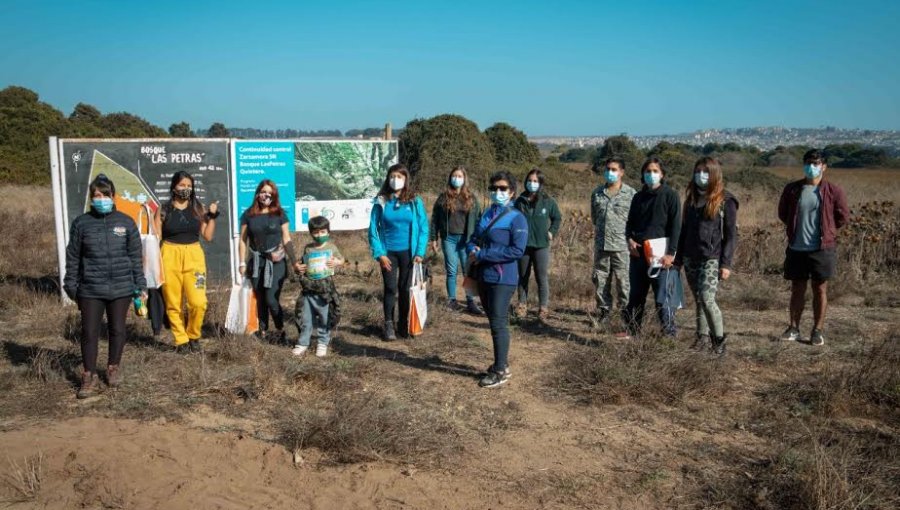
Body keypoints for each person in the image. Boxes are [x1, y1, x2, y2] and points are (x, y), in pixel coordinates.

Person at [64, 174, 146, 398]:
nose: (100, 199)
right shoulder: (81, 224)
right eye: (96, 195)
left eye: (104, 195)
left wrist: (140, 285)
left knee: (117, 329)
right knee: (89, 332)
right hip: (90, 289)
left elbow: (135, 257)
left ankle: (113, 368)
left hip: (121, 288)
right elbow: (73, 257)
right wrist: (71, 286)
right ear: (91, 198)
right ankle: (88, 374)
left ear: (113, 196)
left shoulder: (126, 222)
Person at [777, 149, 849, 346]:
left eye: (816, 163)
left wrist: (828, 230)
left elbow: (842, 216)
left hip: (822, 248)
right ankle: (793, 328)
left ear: (824, 166)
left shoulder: (833, 191)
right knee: (796, 289)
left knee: (820, 289)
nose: (812, 166)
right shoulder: (792, 189)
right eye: (808, 162)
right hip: (796, 247)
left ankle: (817, 330)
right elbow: (783, 213)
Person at [467, 171, 528, 388]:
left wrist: (483, 254)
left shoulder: (517, 218)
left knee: (498, 323)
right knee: (493, 319)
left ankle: (500, 370)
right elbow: (474, 238)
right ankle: (501, 363)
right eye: (494, 188)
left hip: (503, 277)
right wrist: (472, 248)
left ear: (512, 192)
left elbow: (517, 250)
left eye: (503, 188)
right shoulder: (486, 213)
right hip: (484, 275)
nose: (498, 192)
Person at [674, 157, 739, 355]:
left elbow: (731, 235)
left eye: (706, 171)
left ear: (714, 173)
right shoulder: (691, 199)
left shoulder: (726, 200)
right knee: (699, 299)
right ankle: (701, 337)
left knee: (707, 298)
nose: (701, 175)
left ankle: (719, 342)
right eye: (698, 171)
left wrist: (726, 264)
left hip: (712, 258)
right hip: (690, 257)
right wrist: (678, 260)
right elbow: (683, 231)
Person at [153, 171, 219, 353]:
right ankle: (181, 339)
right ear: (174, 187)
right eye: (182, 185)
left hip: (194, 255)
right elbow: (155, 237)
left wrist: (212, 217)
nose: (186, 189)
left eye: (189, 186)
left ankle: (193, 335)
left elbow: (208, 236)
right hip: (169, 254)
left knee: (198, 302)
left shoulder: (198, 208)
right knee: (173, 302)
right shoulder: (163, 209)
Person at [622, 158, 682, 338]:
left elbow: (676, 226)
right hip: (639, 255)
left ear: (662, 174)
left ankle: (668, 338)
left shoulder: (670, 195)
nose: (651, 174)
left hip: (662, 257)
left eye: (655, 171)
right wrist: (629, 240)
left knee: (663, 300)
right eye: (648, 171)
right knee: (636, 297)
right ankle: (633, 333)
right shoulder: (637, 197)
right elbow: (629, 224)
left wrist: (671, 254)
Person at [368, 164, 429, 340]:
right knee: (390, 288)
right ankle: (388, 325)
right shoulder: (381, 201)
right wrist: (380, 254)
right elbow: (373, 229)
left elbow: (424, 227)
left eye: (400, 177)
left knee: (404, 289)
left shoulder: (414, 201)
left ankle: (403, 324)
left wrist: (419, 252)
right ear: (388, 179)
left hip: (409, 254)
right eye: (393, 176)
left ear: (406, 179)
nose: (396, 180)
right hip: (388, 254)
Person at [239, 180, 297, 344]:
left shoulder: (280, 214)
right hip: (257, 263)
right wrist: (242, 263)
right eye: (264, 192)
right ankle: (263, 332)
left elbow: (286, 239)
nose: (267, 195)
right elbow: (243, 241)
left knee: (271, 298)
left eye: (270, 193)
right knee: (261, 299)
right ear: (258, 193)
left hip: (277, 262)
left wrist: (293, 262)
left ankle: (280, 330)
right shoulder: (248, 215)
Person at [429, 166, 483, 314]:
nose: (457, 179)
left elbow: (479, 220)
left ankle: (470, 301)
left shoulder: (472, 198)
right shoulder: (443, 197)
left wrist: (478, 241)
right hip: (449, 239)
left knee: (468, 271)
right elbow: (434, 219)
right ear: (450, 178)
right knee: (452, 270)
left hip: (467, 240)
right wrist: (434, 238)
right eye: (454, 176)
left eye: (460, 176)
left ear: (464, 179)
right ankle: (452, 300)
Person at [590, 157, 637, 326]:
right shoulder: (597, 194)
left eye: (614, 169)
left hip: (622, 247)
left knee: (624, 282)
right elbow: (595, 218)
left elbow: (636, 221)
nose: (610, 172)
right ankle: (604, 312)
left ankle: (626, 315)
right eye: (608, 169)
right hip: (602, 245)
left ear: (622, 172)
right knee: (601, 280)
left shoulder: (631, 194)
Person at [293, 215, 344, 357]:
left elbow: (342, 260)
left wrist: (337, 262)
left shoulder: (331, 247)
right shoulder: (308, 248)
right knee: (305, 317)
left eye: (322, 232)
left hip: (324, 290)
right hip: (308, 289)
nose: (319, 235)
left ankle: (322, 343)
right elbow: (303, 263)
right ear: (311, 233)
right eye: (315, 232)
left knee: (324, 317)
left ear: (328, 232)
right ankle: (303, 343)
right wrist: (300, 268)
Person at [514, 168, 561, 321]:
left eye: (535, 181)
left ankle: (543, 308)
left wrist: (551, 232)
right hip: (523, 245)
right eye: (529, 181)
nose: (532, 183)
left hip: (541, 244)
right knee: (522, 276)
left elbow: (557, 218)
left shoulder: (548, 201)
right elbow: (513, 219)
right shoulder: (519, 201)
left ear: (540, 183)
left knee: (541, 277)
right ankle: (521, 305)